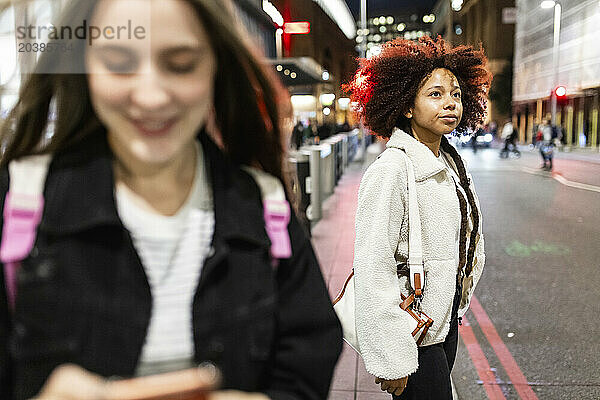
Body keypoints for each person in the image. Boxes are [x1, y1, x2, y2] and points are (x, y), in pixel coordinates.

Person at [0, 0, 342, 399]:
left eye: (180, 64)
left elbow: (306, 365)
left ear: (215, 67)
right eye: (117, 61)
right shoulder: (20, 200)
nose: (150, 97)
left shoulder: (264, 206)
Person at [343, 36, 489, 399]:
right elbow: (373, 263)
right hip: (412, 332)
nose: (450, 103)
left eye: (455, 94)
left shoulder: (450, 163)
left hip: (445, 323)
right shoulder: (392, 169)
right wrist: (391, 356)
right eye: (435, 94)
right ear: (407, 106)